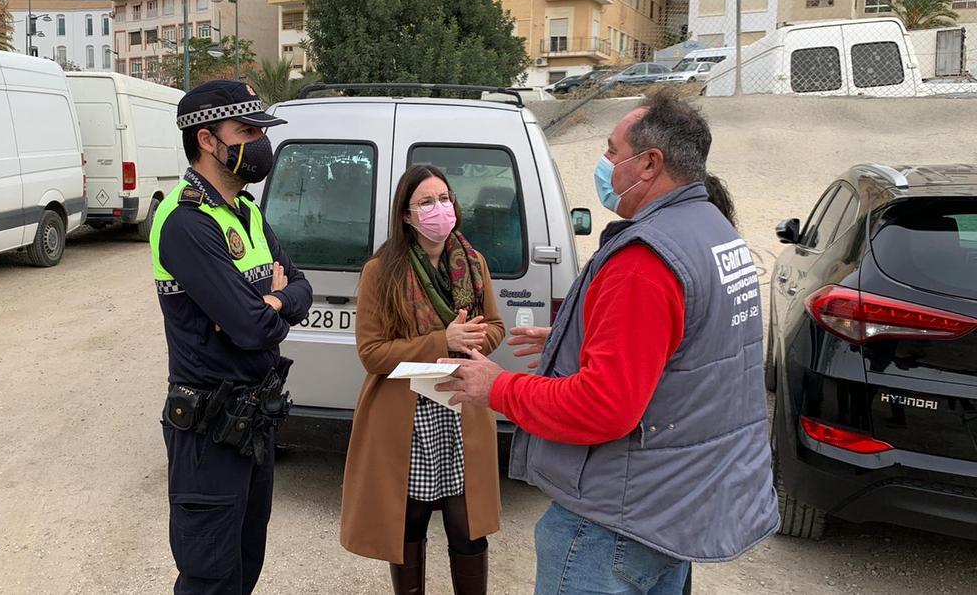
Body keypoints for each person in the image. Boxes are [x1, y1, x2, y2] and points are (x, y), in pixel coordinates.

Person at [437, 89, 778, 594]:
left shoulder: (647, 257)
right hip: (680, 502)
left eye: (613, 151)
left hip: (618, 519)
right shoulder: (715, 233)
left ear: (650, 163)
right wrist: (583, 336)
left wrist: (498, 387)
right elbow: (694, 348)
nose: (605, 164)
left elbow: (604, 407)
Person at [151, 80, 313, 595]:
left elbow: (303, 287)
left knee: (246, 561)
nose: (258, 143)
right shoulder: (184, 222)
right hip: (208, 430)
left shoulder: (246, 212)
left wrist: (274, 303)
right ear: (206, 140)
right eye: (246, 131)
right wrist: (269, 306)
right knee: (210, 577)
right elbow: (251, 329)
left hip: (253, 421)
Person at [341, 164, 505, 595]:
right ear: (406, 215)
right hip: (408, 415)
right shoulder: (381, 270)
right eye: (426, 202)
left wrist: (472, 340)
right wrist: (442, 340)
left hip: (462, 408)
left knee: (467, 526)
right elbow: (372, 353)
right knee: (407, 523)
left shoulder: (473, 263)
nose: (439, 209)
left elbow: (496, 328)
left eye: (446, 199)